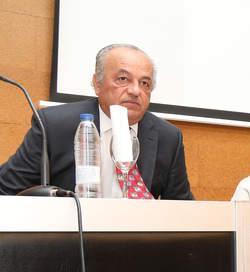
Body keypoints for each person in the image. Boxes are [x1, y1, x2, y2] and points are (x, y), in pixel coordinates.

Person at [0, 44, 193, 199]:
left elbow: (183, 209)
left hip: (136, 243)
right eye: (123, 79)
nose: (136, 91)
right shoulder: (54, 126)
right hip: (70, 241)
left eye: (145, 83)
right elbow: (6, 189)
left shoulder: (168, 137)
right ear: (97, 84)